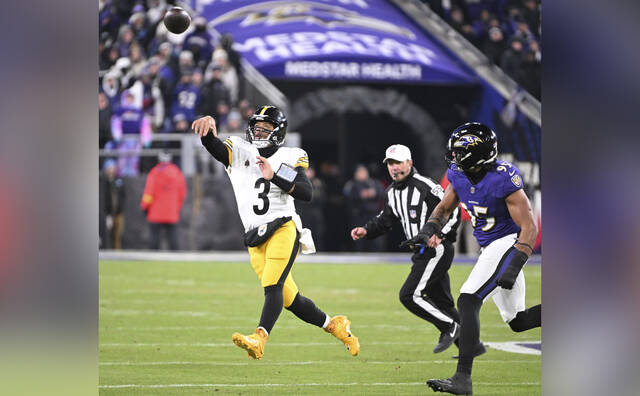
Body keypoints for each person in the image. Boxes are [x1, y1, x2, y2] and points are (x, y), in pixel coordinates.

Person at [192, 105, 360, 360]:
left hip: (283, 226)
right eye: (257, 127)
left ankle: (259, 338)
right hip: (254, 235)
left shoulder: (288, 156)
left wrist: (275, 176)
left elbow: (307, 192)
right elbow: (214, 146)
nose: (259, 132)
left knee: (273, 285)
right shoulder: (238, 150)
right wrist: (207, 131)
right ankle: (335, 325)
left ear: (278, 132)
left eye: (266, 128)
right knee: (290, 299)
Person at [400, 123, 541, 395]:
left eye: (458, 152)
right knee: (518, 321)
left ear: (474, 155)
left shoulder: (503, 178)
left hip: (508, 243)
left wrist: (514, 265)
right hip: (489, 246)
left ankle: (462, 378)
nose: (453, 157)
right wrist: (428, 230)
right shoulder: (458, 173)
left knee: (468, 299)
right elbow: (444, 206)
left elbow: (530, 227)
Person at [350, 144, 465, 354]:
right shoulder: (392, 192)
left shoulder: (425, 185)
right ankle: (470, 347)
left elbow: (453, 211)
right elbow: (386, 219)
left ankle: (449, 326)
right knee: (443, 302)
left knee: (409, 295)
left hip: (435, 249)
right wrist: (366, 230)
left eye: (399, 163)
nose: (394, 168)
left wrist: (440, 234)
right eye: (390, 163)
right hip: (420, 251)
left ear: (410, 163)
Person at [140, 152, 187, 250]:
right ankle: (176, 262)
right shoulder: (177, 173)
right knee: (173, 239)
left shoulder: (154, 172)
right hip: (171, 213)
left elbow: (149, 193)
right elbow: (182, 194)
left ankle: (153, 261)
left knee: (154, 239)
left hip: (155, 212)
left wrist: (144, 206)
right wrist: (176, 207)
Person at [343, 164, 384, 252]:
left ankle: (375, 255)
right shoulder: (351, 184)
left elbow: (382, 192)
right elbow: (347, 196)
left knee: (374, 238)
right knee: (358, 238)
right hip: (358, 215)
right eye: (360, 172)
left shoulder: (373, 182)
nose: (362, 174)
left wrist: (373, 193)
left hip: (372, 215)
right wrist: (360, 195)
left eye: (364, 172)